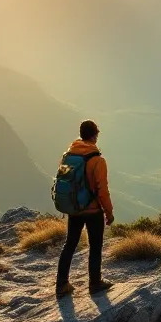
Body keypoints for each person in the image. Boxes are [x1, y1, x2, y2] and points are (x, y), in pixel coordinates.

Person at [56, 119, 115, 298]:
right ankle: (95, 283)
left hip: (74, 208)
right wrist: (109, 213)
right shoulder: (97, 160)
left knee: (70, 244)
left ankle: (61, 284)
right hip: (93, 211)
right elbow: (102, 190)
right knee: (95, 246)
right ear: (94, 135)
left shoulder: (69, 154)